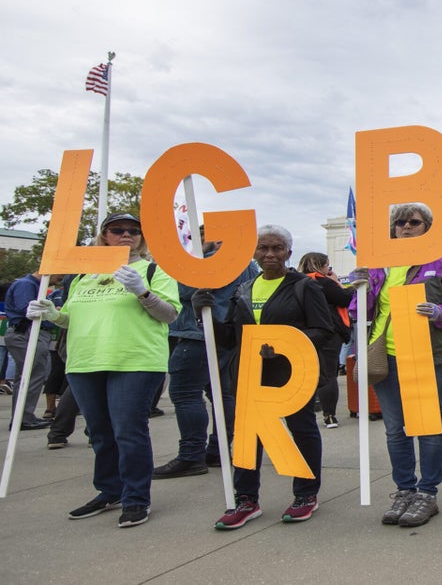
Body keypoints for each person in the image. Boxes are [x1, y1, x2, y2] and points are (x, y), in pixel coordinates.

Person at [28, 213, 181, 528]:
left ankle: (136, 498)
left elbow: (170, 315)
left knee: (128, 432)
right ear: (104, 235)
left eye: (134, 231)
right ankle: (109, 491)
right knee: (99, 433)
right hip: (86, 361)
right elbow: (70, 316)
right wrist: (51, 313)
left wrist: (143, 291)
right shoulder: (86, 275)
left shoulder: (154, 269)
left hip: (135, 361)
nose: (127, 235)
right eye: (118, 230)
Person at [201, 224, 334, 530]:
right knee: (247, 438)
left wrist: (282, 345)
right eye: (263, 248)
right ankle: (246, 499)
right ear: (254, 252)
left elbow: (323, 330)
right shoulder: (244, 289)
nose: (270, 254)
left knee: (301, 431)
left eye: (277, 248)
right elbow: (232, 338)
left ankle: (306, 495)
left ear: (289, 252)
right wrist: (204, 314)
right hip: (250, 375)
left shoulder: (303, 286)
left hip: (291, 374)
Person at [354, 203, 442, 528]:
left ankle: (427, 493)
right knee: (395, 428)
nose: (406, 227)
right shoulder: (379, 265)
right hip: (385, 355)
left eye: (414, 222)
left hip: (428, 354)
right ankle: (404, 489)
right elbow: (359, 312)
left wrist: (439, 313)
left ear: (427, 228)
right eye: (400, 222)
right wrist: (359, 289)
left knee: (427, 426)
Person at [153, 234, 259, 479]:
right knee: (223, 395)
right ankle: (218, 448)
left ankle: (191, 455)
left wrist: (181, 266)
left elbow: (180, 288)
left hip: (198, 334)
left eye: (197, 237)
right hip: (226, 335)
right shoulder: (248, 266)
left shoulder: (212, 261)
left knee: (185, 393)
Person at [297, 252, 354, 429]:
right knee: (328, 373)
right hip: (328, 332)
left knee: (306, 373)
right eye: (327, 266)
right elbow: (345, 298)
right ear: (320, 266)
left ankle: (305, 411)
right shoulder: (324, 283)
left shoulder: (296, 282)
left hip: (302, 333)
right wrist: (337, 281)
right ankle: (329, 415)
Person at [5, 270, 54, 430]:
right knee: (31, 375)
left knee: (27, 376)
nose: (60, 279)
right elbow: (26, 309)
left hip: (25, 332)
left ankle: (23, 416)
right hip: (26, 333)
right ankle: (24, 417)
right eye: (60, 275)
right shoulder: (27, 285)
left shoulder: (28, 284)